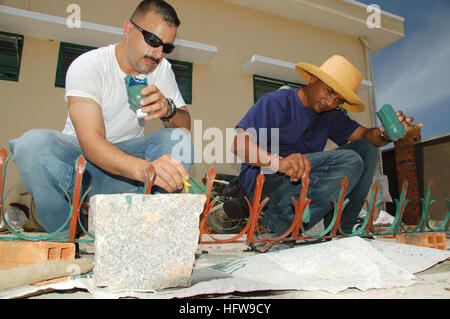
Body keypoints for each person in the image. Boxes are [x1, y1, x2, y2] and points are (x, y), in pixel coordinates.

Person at [8, 0, 193, 234]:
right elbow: (92, 142)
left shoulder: (161, 70)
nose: (157, 53)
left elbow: (185, 126)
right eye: (152, 40)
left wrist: (169, 109)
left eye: (166, 47)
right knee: (32, 145)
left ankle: (148, 236)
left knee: (178, 139)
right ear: (128, 29)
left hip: (124, 174)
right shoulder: (89, 66)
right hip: (79, 169)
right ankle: (67, 235)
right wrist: (148, 170)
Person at [232, 55, 423, 238]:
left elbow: (365, 135)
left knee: (367, 150)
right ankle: (276, 228)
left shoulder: (330, 115)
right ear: (313, 79)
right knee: (350, 160)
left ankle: (342, 229)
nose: (330, 102)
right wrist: (278, 162)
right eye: (329, 91)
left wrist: (385, 134)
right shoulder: (277, 102)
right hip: (265, 181)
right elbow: (239, 144)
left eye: (338, 100)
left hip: (301, 179)